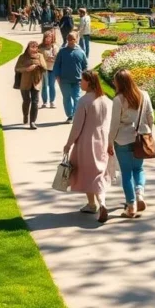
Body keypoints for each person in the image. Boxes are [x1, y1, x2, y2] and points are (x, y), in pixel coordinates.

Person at [64, 70, 112, 223]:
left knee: (88, 173)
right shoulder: (105, 100)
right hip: (102, 139)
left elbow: (77, 126)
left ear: (89, 82)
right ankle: (97, 204)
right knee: (98, 173)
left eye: (82, 80)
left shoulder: (84, 101)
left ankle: (96, 203)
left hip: (87, 141)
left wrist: (68, 144)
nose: (80, 82)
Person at [107, 69, 155, 219]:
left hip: (122, 139)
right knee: (138, 169)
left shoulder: (118, 99)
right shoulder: (144, 95)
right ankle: (140, 193)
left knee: (126, 173)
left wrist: (109, 142)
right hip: (140, 137)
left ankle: (131, 205)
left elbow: (114, 124)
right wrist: (148, 133)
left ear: (119, 83)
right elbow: (151, 116)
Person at [52, 32, 88, 123]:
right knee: (67, 98)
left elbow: (85, 66)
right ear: (67, 40)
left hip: (77, 80)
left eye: (73, 39)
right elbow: (57, 65)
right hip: (64, 80)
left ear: (76, 39)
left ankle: (75, 115)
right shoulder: (62, 51)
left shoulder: (81, 52)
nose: (71, 41)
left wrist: (85, 77)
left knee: (77, 98)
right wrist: (57, 75)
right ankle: (70, 116)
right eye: (69, 39)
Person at [15, 41, 47, 129]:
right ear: (28, 48)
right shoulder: (22, 57)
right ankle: (25, 115)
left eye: (36, 47)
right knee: (26, 101)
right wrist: (27, 69)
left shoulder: (40, 56)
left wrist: (39, 64)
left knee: (35, 102)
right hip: (25, 82)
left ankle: (32, 121)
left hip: (36, 81)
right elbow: (17, 68)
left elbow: (45, 67)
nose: (34, 49)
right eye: (32, 47)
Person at [38, 31, 58, 109]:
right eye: (47, 37)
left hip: (53, 68)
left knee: (52, 85)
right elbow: (38, 58)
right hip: (44, 68)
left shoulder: (55, 47)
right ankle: (45, 102)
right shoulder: (40, 47)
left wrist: (54, 59)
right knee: (44, 86)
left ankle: (52, 101)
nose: (48, 39)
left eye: (50, 37)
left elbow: (58, 57)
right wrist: (46, 58)